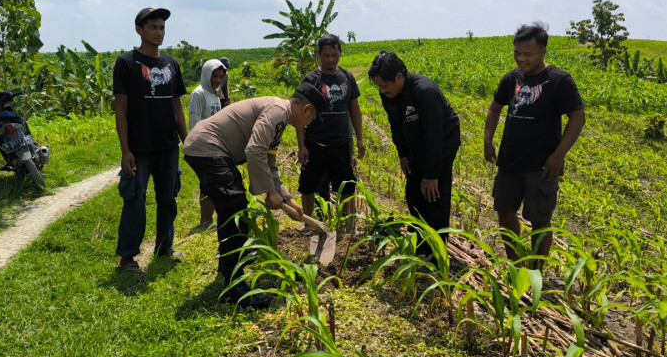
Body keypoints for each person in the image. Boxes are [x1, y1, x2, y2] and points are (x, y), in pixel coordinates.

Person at [183, 82, 327, 308]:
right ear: (306, 109)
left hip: (211, 148)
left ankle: (228, 266)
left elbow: (268, 161)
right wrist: (270, 193)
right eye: (312, 119)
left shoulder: (279, 117)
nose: (309, 124)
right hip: (207, 147)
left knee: (232, 207)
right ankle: (235, 285)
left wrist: (287, 198)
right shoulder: (278, 111)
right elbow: (254, 150)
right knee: (235, 205)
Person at [484, 22, 585, 268]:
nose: (521, 59)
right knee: (505, 213)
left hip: (541, 166)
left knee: (540, 220)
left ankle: (536, 269)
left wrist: (558, 155)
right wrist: (488, 140)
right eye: (517, 53)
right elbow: (495, 108)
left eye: (527, 54)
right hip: (509, 162)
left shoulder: (559, 80)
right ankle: (516, 265)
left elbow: (578, 117)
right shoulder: (511, 79)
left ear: (543, 52)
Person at [113, 7, 188, 273]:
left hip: (167, 146)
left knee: (168, 198)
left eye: (162, 28)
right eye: (153, 27)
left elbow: (177, 106)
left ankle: (164, 247)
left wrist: (186, 141)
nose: (159, 32)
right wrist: (125, 149)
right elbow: (120, 108)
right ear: (139, 30)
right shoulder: (126, 63)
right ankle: (128, 257)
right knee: (135, 199)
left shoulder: (171, 64)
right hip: (139, 147)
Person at [368, 51, 461, 260]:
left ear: (399, 77)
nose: (381, 91)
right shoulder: (389, 94)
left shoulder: (424, 92)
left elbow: (434, 134)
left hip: (442, 143)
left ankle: (436, 254)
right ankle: (420, 245)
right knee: (414, 194)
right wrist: (403, 153)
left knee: (434, 196)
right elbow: (396, 125)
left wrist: (431, 174)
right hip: (416, 141)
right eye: (379, 86)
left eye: (384, 85)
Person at [297, 34, 365, 232]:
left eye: (334, 55)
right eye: (326, 55)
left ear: (340, 53)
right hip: (315, 143)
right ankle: (308, 224)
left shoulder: (347, 78)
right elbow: (300, 114)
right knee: (308, 185)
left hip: (340, 143)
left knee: (347, 186)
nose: (330, 60)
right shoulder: (310, 79)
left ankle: (348, 225)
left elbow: (354, 109)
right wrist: (301, 145)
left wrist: (360, 139)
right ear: (319, 55)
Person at [187, 59, 227, 229]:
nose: (217, 80)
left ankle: (210, 220)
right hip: (203, 146)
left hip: (215, 145)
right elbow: (195, 122)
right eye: (214, 76)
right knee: (207, 184)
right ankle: (205, 222)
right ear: (206, 75)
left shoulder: (215, 93)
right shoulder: (199, 94)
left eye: (220, 76)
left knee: (214, 183)